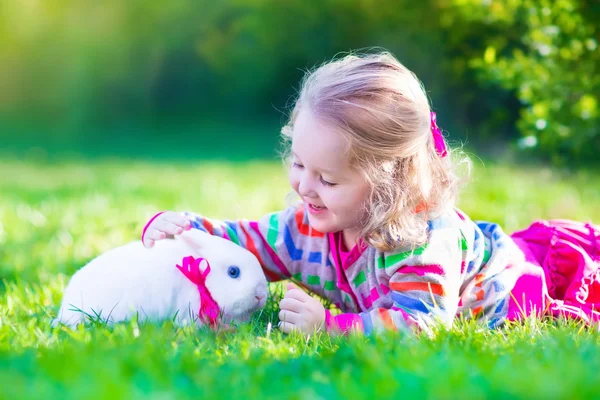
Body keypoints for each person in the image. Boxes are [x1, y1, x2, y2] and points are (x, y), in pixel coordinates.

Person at [140, 51, 600, 336]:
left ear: (387, 188)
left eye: (328, 179)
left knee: (530, 301)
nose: (304, 186)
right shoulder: (307, 225)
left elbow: (421, 325)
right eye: (298, 164)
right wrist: (186, 229)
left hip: (499, 285)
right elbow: (246, 243)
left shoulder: (417, 244)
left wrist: (331, 327)